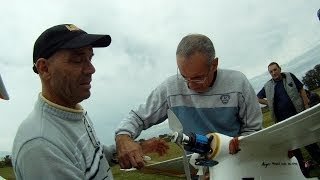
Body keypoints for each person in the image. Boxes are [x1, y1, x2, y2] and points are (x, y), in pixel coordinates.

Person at [11, 24, 167, 180]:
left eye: (90, 58)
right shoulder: (41, 146)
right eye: (78, 60)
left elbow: (92, 160)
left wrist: (137, 148)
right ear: (44, 69)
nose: (91, 69)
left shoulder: (73, 114)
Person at [115, 34, 263, 170]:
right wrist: (123, 137)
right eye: (184, 76)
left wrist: (233, 156)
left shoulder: (238, 84)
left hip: (236, 165)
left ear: (214, 64)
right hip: (195, 169)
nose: (190, 85)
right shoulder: (171, 87)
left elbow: (253, 130)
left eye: (198, 78)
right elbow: (138, 116)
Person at [256, 62, 311, 177]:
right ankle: (304, 173)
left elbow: (301, 90)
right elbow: (258, 98)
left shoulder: (289, 76)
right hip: (284, 123)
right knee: (295, 149)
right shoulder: (268, 85)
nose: (273, 73)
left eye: (275, 70)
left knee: (309, 142)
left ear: (280, 69)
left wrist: (306, 107)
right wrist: (270, 103)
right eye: (271, 72)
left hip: (298, 116)